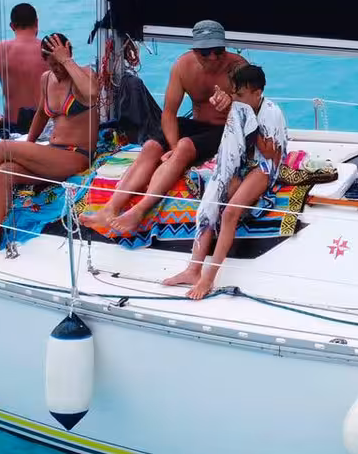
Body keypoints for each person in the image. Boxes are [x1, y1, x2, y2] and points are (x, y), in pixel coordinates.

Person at [0, 33, 99, 266]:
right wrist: (28, 146)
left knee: (2, 148)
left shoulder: (85, 75)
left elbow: (92, 95)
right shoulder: (47, 79)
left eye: (59, 63)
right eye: (51, 64)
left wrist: (66, 61)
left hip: (76, 155)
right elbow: (43, 114)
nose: (57, 69)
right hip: (53, 152)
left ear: (68, 51)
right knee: (5, 171)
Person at [81, 20, 246, 235]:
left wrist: (232, 103)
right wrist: (172, 146)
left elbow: (253, 110)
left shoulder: (239, 68)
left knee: (185, 146)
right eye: (206, 52)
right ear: (195, 50)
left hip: (226, 128)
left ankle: (139, 211)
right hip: (196, 126)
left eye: (219, 50)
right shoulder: (183, 67)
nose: (214, 57)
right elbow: (169, 113)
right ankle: (111, 208)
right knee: (151, 146)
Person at [163, 64, 286, 299]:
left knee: (230, 213)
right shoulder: (240, 107)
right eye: (234, 94)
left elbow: (270, 154)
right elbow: (231, 147)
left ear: (257, 93)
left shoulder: (271, 112)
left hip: (264, 166)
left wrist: (251, 126)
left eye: (239, 95)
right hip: (243, 163)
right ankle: (193, 269)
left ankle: (208, 279)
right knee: (211, 202)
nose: (235, 99)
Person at [0, 2, 50, 135]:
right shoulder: (50, 50)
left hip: (14, 127)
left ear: (12, 26)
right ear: (36, 23)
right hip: (44, 125)